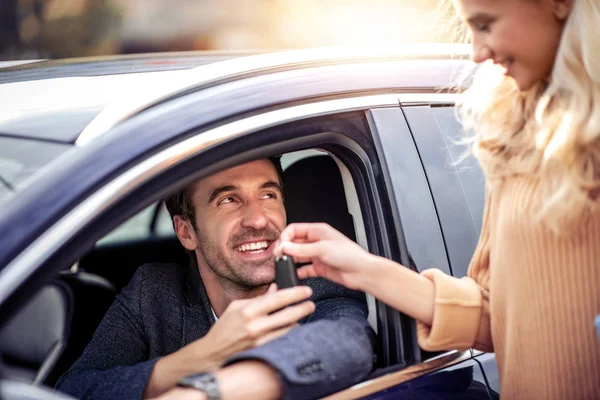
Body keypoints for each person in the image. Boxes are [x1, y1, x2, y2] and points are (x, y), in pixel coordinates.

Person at [275, 0, 600, 398]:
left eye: (486, 24)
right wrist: (363, 269)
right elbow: (495, 319)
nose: (479, 52)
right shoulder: (517, 137)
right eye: (471, 30)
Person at [56, 158, 376, 400]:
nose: (258, 219)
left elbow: (349, 344)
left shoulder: (316, 286)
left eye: (268, 195)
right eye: (228, 200)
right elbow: (73, 390)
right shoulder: (153, 293)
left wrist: (201, 392)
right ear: (186, 232)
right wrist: (203, 356)